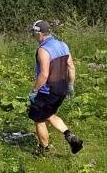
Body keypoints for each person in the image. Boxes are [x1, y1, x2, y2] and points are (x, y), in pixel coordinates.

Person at [27, 20, 82, 154]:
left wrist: (34, 91)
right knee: (49, 114)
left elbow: (44, 74)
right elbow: (71, 67)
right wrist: (70, 85)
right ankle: (71, 138)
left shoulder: (43, 50)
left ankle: (43, 150)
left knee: (39, 119)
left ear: (39, 34)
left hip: (47, 91)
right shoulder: (62, 45)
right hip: (62, 88)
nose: (33, 37)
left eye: (34, 34)